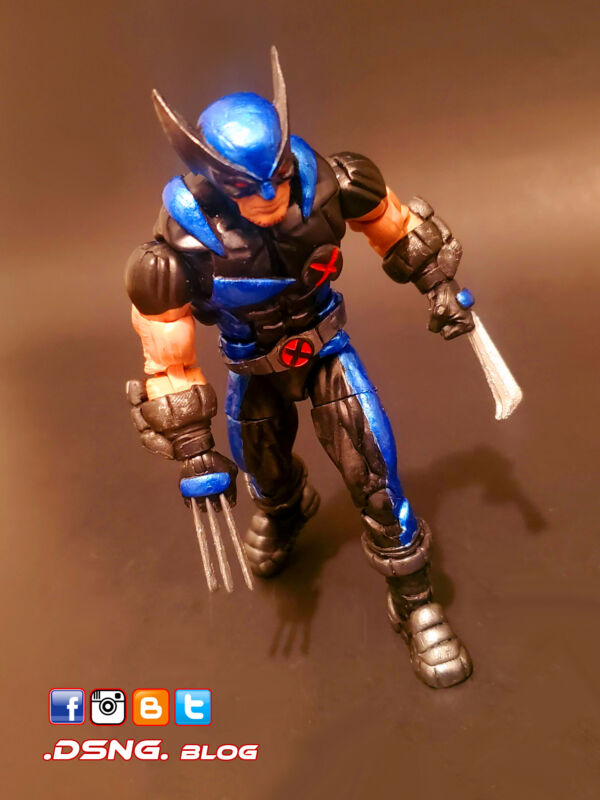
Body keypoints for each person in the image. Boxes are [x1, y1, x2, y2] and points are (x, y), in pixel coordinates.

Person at [125, 48, 476, 688]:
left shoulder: (336, 180)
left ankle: (416, 602)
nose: (269, 197)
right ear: (213, 180)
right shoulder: (177, 243)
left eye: (278, 178)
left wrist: (437, 284)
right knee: (262, 468)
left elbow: (395, 226)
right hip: (251, 365)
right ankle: (288, 509)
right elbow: (167, 349)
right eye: (247, 187)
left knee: (374, 472)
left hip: (326, 352)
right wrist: (192, 443)